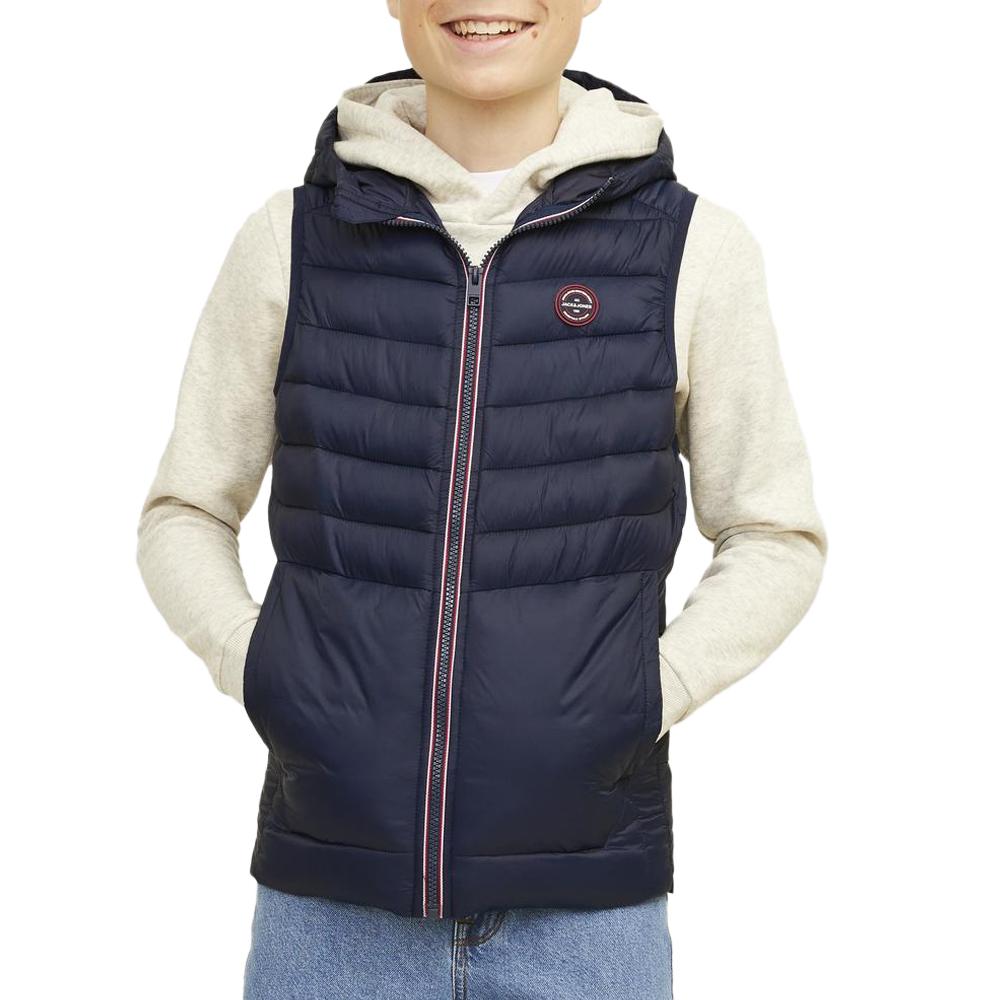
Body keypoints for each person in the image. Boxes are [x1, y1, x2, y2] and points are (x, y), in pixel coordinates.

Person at [136, 2, 828, 997]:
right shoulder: (290, 239)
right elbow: (187, 509)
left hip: (587, 910)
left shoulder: (692, 249)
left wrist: (643, 693)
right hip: (329, 906)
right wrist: (266, 671)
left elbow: (773, 530)